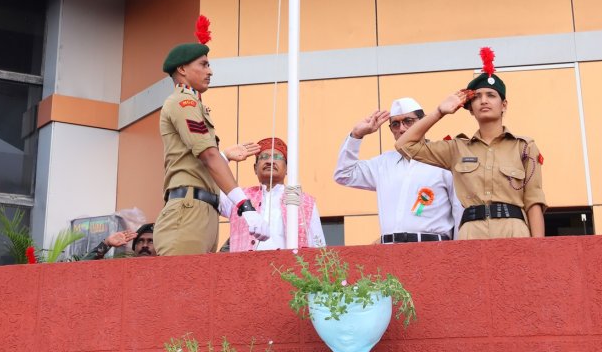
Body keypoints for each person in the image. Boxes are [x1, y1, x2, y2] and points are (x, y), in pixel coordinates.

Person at [396, 47, 546, 239]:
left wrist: (539, 249)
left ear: (504, 105)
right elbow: (404, 145)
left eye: (491, 95)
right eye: (477, 97)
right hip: (471, 232)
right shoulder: (457, 148)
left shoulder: (524, 147)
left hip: (514, 230)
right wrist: (439, 112)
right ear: (470, 109)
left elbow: (533, 200)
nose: (484, 101)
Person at [153, 15, 270, 256]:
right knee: (183, 288)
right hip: (188, 211)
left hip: (202, 209)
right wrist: (245, 206)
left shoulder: (192, 104)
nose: (210, 71)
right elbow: (207, 155)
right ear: (182, 69)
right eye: (203, 64)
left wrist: (224, 156)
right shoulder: (184, 101)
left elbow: (199, 158)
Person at [334, 96, 461, 243]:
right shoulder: (383, 163)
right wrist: (356, 135)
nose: (401, 129)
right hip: (390, 252)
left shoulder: (443, 159)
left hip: (433, 250)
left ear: (424, 121)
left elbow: (459, 212)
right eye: (395, 124)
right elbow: (344, 174)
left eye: (408, 121)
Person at [219, 136, 326, 251]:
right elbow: (208, 186)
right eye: (264, 157)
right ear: (255, 168)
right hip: (245, 267)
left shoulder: (305, 202)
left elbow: (319, 246)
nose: (270, 161)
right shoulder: (238, 196)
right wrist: (224, 157)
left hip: (288, 268)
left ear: (287, 169)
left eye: (277, 157)